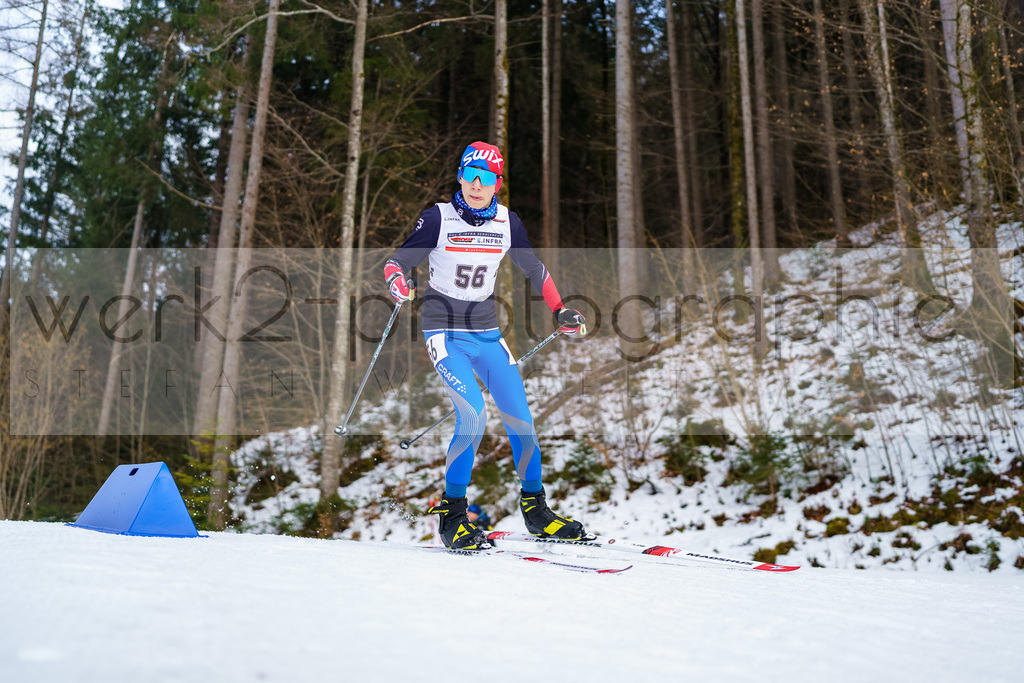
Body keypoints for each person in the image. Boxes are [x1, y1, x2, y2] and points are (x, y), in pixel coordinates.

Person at [385, 141, 591, 550]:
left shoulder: (506, 222)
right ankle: (453, 515)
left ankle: (536, 510)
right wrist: (397, 282)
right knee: (473, 414)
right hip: (444, 333)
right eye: (471, 175)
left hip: (487, 334)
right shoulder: (438, 218)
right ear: (460, 176)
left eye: (488, 178)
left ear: (497, 184)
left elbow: (534, 266)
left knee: (521, 419)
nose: (477, 185)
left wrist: (559, 308)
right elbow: (399, 262)